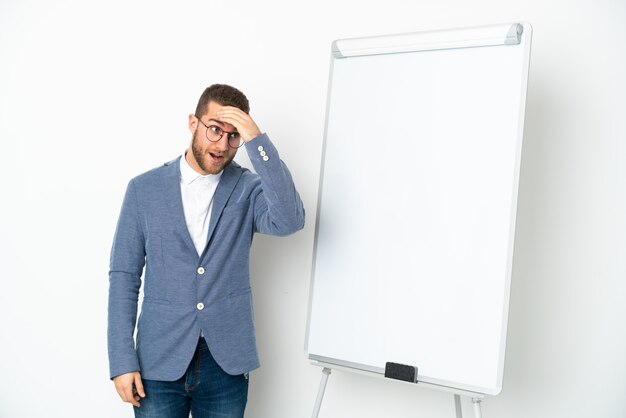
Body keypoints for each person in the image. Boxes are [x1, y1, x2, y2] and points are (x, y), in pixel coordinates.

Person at [107, 84, 305, 417]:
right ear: (192, 123)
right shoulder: (144, 189)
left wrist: (257, 140)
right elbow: (124, 276)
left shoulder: (248, 187)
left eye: (233, 136)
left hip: (225, 364)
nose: (222, 144)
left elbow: (289, 220)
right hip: (158, 362)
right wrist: (122, 361)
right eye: (215, 129)